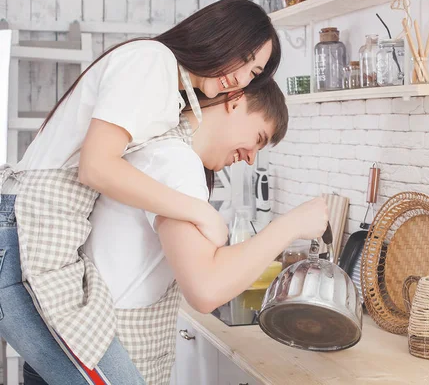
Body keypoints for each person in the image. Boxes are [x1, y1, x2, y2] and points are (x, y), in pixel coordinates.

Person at [0, 0, 281, 385]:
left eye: (254, 72)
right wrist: (200, 212)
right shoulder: (153, 61)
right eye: (245, 57)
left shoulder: (170, 97)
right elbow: (96, 167)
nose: (241, 78)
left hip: (30, 241)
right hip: (23, 240)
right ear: (221, 33)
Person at [80, 80, 328, 383]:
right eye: (258, 138)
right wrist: (293, 224)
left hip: (95, 343)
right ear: (235, 101)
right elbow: (206, 289)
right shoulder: (177, 163)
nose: (251, 158)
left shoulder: (163, 150)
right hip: (109, 353)